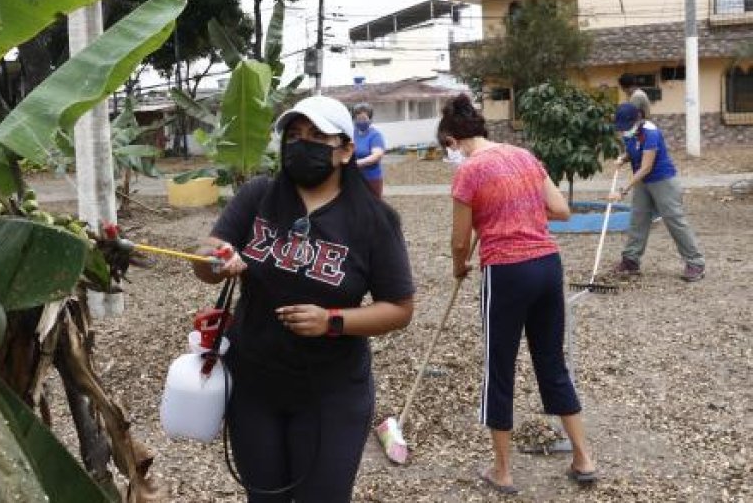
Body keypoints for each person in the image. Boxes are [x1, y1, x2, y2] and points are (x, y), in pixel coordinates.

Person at [192, 95, 415, 502]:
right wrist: (217, 260)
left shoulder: (373, 221)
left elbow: (399, 309)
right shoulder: (257, 196)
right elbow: (206, 259)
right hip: (254, 387)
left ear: (345, 150)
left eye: (316, 136)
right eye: (294, 136)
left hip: (332, 394)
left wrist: (332, 320)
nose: (302, 144)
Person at [440, 94, 597, 495]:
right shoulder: (524, 156)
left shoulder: (469, 171)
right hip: (547, 266)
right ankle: (583, 458)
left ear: (453, 141)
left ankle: (503, 471)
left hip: (507, 273)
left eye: (447, 149)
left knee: (499, 366)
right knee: (551, 361)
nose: (449, 156)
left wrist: (460, 267)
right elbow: (560, 209)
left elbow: (460, 242)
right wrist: (518, 209)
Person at [609, 103, 705, 281]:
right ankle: (631, 261)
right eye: (621, 128)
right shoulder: (629, 132)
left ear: (637, 120)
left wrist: (622, 191)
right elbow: (634, 152)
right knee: (638, 219)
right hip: (643, 182)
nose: (623, 132)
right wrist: (623, 158)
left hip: (663, 181)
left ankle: (695, 263)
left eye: (625, 128)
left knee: (674, 220)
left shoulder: (651, 133)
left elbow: (646, 166)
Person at [351, 102, 387, 198]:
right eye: (358, 118)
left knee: (372, 207)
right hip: (354, 178)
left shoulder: (375, 135)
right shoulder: (351, 134)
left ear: (370, 119)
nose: (361, 121)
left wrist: (356, 163)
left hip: (371, 179)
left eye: (364, 118)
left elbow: (377, 155)